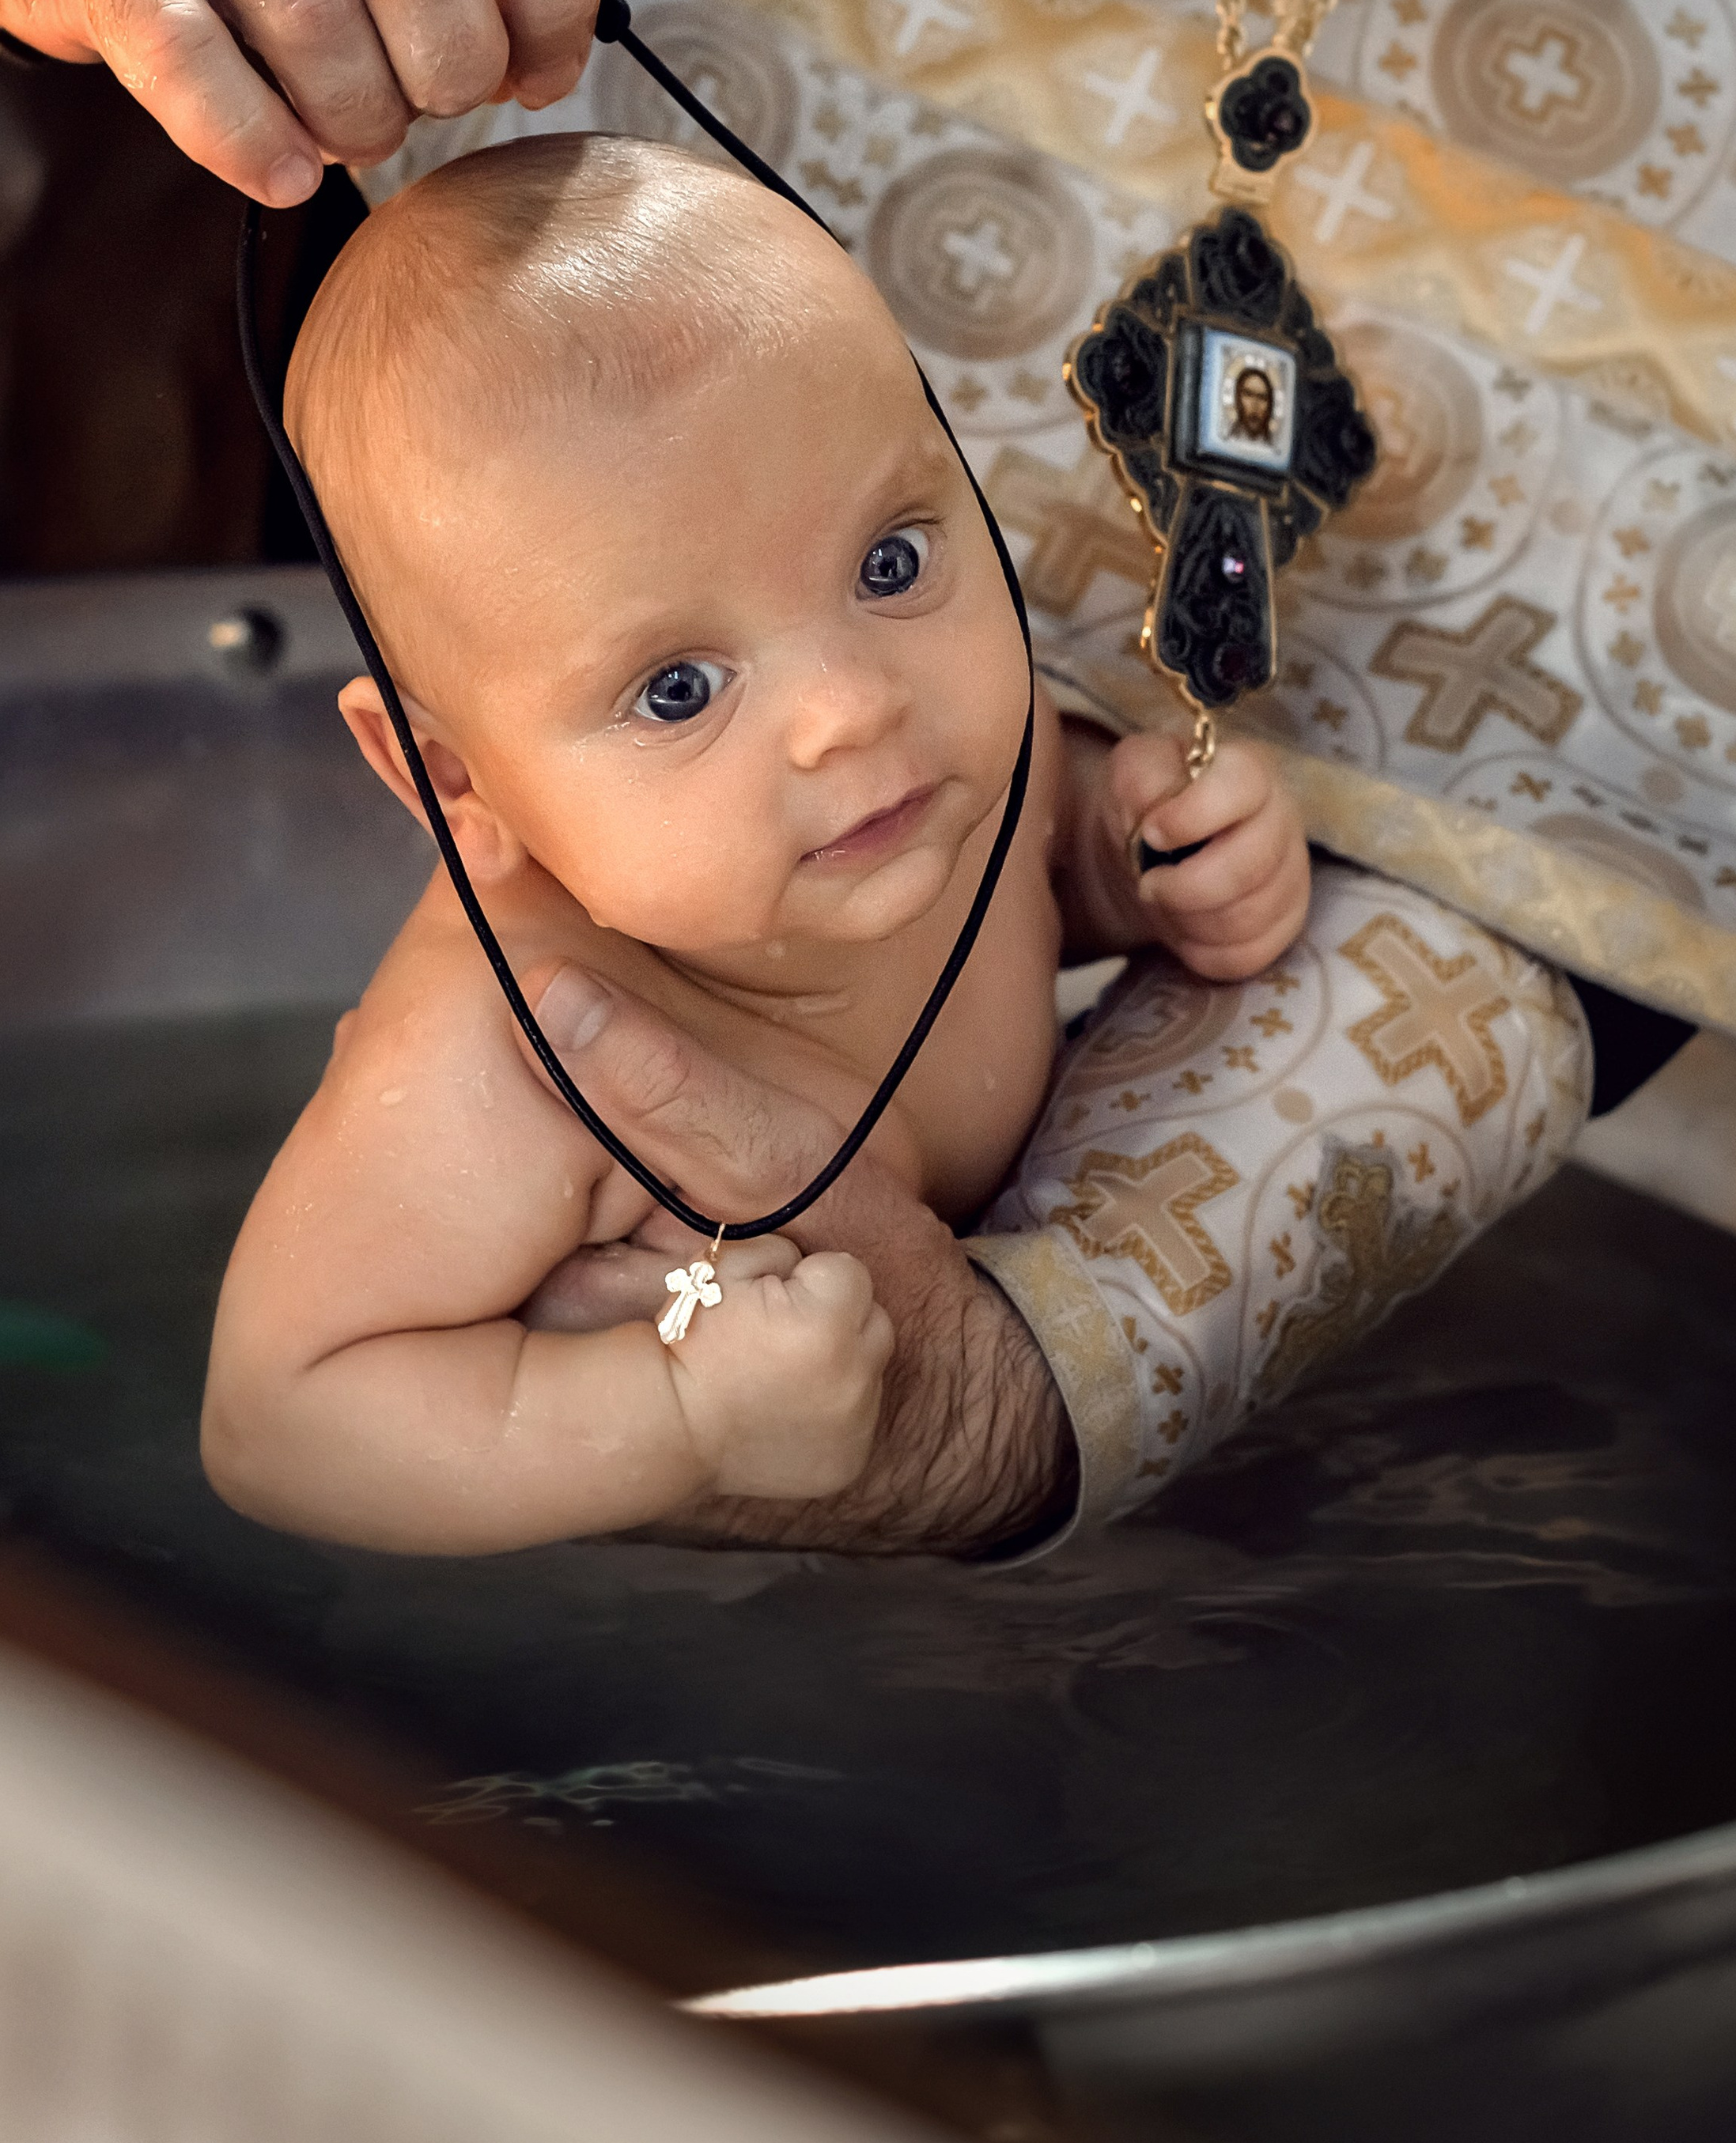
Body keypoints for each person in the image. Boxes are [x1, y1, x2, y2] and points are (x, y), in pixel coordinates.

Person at [200, 137, 1312, 1552]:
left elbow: (1063, 860)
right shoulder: (500, 1066)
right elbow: (279, 1421)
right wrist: (680, 1417)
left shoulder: (944, 777)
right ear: (450, 780)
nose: (851, 710)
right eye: (678, 689)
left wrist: (1150, 856)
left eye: (891, 562)